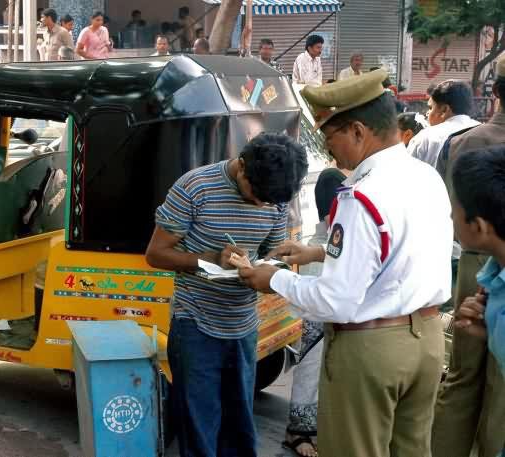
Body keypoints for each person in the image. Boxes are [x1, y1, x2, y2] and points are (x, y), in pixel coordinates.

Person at [239, 70, 453, 457]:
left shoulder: (361, 196)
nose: (328, 150)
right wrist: (320, 253)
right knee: (412, 449)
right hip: (427, 340)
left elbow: (336, 300)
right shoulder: (426, 176)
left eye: (329, 137)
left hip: (373, 347)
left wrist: (273, 280)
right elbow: (400, 254)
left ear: (357, 131)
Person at [145, 132, 308, 457]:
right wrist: (206, 259)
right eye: (255, 196)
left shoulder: (274, 195)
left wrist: (267, 270)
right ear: (242, 166)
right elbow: (156, 254)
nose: (262, 205)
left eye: (269, 201)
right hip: (195, 324)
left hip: (244, 325)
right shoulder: (195, 188)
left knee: (239, 423)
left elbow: (271, 254)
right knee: (199, 422)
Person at [430, 56, 505, 457]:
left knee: (461, 375)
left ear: (495, 92)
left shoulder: (463, 142)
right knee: (499, 388)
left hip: (475, 262)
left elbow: (449, 207)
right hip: (493, 261)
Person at [282, 166, 348, 457]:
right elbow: (335, 223)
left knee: (332, 362)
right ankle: (298, 430)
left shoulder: (359, 177)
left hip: (334, 261)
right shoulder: (332, 179)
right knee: (312, 357)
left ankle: (320, 427)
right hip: (323, 259)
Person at [452, 146, 505, 377]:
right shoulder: (494, 277)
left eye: (454, 210)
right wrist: (491, 330)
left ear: (478, 226)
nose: (450, 217)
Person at [407, 80, 479, 167]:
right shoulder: (483, 132)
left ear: (444, 110)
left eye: (430, 108)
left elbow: (408, 174)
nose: (427, 113)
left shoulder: (426, 138)